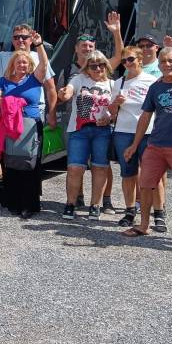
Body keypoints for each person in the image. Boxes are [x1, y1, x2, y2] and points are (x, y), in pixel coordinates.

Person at [121, 47, 172, 242]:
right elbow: (145, 116)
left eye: (171, 61)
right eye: (163, 61)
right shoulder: (156, 87)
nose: (167, 65)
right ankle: (143, 225)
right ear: (158, 64)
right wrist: (134, 144)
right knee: (146, 185)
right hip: (155, 145)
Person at [0, 35, 52, 219]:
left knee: (30, 165)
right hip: (10, 126)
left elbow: (44, 65)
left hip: (31, 127)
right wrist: (12, 101)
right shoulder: (4, 81)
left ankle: (29, 205)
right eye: (18, 62)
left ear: (29, 65)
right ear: (12, 64)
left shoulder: (35, 79)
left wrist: (39, 45)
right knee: (11, 164)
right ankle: (13, 202)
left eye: (25, 63)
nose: (22, 65)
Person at [58, 50, 115, 220]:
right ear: (87, 68)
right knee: (75, 168)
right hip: (79, 130)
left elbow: (116, 110)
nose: (98, 68)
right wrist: (64, 93)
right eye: (93, 65)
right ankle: (70, 204)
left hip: (102, 131)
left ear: (106, 66)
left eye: (101, 64)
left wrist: (110, 117)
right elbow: (68, 91)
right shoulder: (79, 79)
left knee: (100, 168)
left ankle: (95, 205)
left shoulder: (113, 84)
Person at [108, 46, 159, 226]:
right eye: (123, 61)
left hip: (148, 133)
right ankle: (130, 211)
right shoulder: (118, 83)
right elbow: (111, 113)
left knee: (152, 174)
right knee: (127, 173)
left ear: (139, 59)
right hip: (123, 132)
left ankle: (158, 212)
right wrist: (116, 103)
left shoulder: (152, 81)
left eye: (130, 59)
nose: (126, 64)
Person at [0, 19, 57, 127]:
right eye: (16, 37)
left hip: (33, 112)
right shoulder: (2, 56)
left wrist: (52, 114)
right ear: (13, 41)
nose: (20, 40)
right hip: (8, 113)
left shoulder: (39, 58)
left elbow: (51, 88)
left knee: (32, 143)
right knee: (9, 144)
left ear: (31, 40)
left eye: (24, 37)